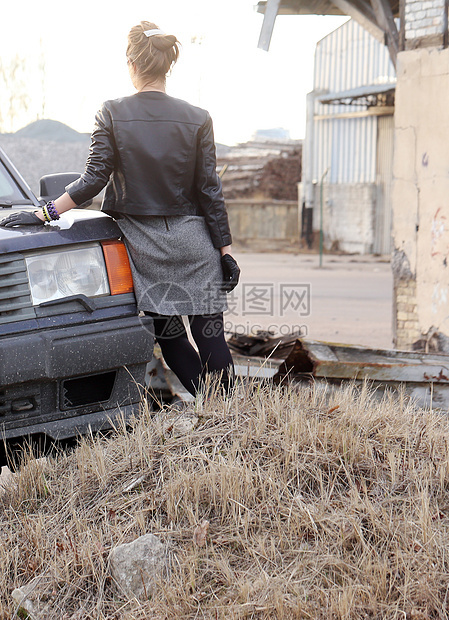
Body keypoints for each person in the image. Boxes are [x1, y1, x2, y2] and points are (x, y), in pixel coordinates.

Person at [0, 20, 240, 398]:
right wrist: (226, 252)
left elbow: (92, 181)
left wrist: (43, 212)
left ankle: (213, 408)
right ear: (167, 66)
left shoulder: (111, 111)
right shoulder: (198, 117)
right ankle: (234, 415)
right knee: (211, 336)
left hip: (146, 248)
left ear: (132, 62)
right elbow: (210, 191)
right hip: (196, 243)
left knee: (172, 339)